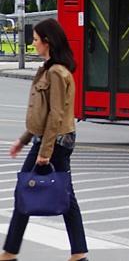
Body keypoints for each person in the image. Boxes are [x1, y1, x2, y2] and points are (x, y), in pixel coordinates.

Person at [0, 19, 87, 261]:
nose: (33, 43)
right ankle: (79, 253)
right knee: (65, 197)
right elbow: (43, 114)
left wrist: (45, 151)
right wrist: (24, 139)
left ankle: (9, 253)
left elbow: (56, 114)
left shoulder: (57, 73)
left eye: (36, 40)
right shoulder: (49, 69)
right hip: (50, 140)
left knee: (25, 191)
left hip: (55, 143)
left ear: (47, 42)